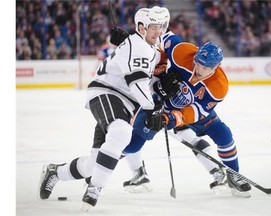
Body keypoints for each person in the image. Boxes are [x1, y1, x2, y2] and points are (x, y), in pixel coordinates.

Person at [39, 7, 166, 211]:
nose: (157, 31)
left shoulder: (146, 46)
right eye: (153, 27)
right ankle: (94, 188)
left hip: (124, 103)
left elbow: (143, 73)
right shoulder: (140, 46)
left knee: (94, 163)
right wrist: (152, 108)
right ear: (141, 28)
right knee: (122, 133)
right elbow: (136, 84)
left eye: (160, 27)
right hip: (107, 92)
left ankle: (56, 172)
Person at [123, 33, 252, 197]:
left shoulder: (219, 86)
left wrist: (174, 118)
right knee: (133, 144)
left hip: (191, 110)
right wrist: (158, 65)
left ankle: (234, 174)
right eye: (197, 63)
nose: (198, 69)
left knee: (223, 134)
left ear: (216, 67)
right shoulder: (183, 51)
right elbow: (162, 36)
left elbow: (198, 111)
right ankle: (99, 164)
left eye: (205, 68)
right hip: (159, 104)